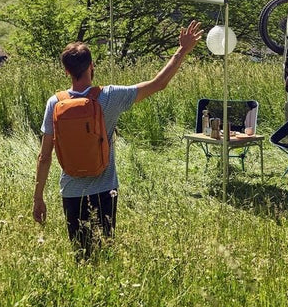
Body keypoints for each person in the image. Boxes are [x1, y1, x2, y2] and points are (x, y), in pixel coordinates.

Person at [33, 20, 203, 258]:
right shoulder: (109, 96)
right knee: (104, 252)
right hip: (105, 190)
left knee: (82, 255)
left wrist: (38, 197)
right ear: (92, 66)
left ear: (66, 71)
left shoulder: (55, 103)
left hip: (71, 191)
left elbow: (44, 156)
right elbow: (158, 84)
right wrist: (182, 50)